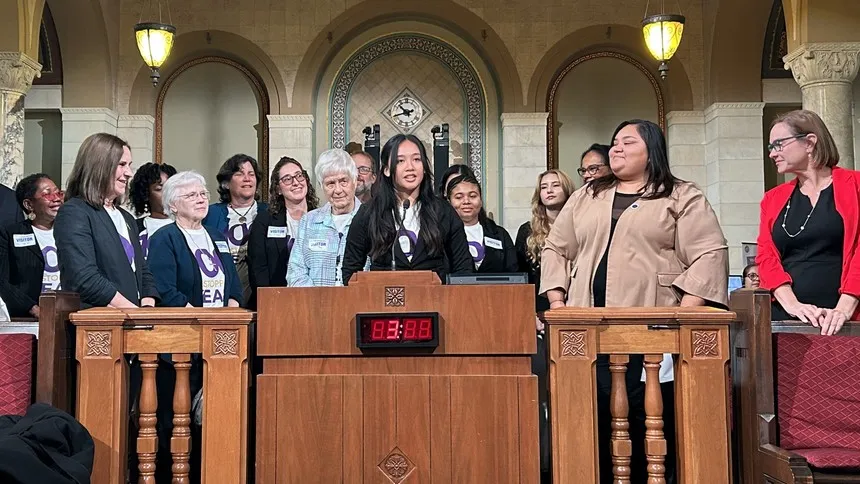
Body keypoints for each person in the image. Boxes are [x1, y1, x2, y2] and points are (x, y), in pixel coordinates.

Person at [541, 119, 728, 484]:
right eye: (614, 142)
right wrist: (557, 301)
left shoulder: (680, 195)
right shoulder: (587, 195)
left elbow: (710, 253)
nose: (616, 148)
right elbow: (555, 248)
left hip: (652, 331)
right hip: (585, 331)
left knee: (648, 419)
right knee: (590, 415)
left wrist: (687, 312)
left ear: (652, 150)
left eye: (628, 142)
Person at [757, 109, 860, 335]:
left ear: (810, 142)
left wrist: (844, 308)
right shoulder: (772, 199)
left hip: (847, 318)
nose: (772, 153)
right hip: (787, 318)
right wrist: (792, 305)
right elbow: (766, 256)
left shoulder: (856, 185)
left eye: (779, 144)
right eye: (770, 147)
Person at [341, 134, 473, 284]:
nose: (410, 167)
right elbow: (350, 272)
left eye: (416, 159)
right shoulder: (369, 213)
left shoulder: (443, 211)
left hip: (435, 304)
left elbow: (463, 268)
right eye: (400, 161)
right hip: (381, 304)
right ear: (386, 170)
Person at [513, 167, 575, 480]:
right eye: (544, 186)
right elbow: (521, 280)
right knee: (542, 391)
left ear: (566, 188)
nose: (549, 190)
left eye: (555, 185)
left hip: (576, 314)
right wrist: (531, 315)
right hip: (539, 319)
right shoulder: (527, 230)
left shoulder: (582, 222)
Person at [54, 133, 158, 309]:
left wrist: (147, 307)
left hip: (133, 321)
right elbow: (85, 278)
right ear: (100, 166)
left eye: (130, 165)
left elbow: (142, 271)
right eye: (122, 165)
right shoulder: (74, 212)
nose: (129, 173)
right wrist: (132, 312)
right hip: (99, 324)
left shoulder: (127, 218)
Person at [148, 171, 242, 308]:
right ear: (173, 205)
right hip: (186, 323)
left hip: (222, 323)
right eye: (191, 195)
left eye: (203, 194)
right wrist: (198, 317)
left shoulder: (217, 236)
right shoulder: (164, 238)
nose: (201, 200)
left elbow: (234, 283)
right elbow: (164, 289)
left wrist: (230, 315)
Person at [287, 149, 366, 286]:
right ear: (321, 186)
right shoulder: (308, 222)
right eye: (330, 183)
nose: (338, 190)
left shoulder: (371, 219)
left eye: (343, 181)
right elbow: (295, 273)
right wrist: (321, 301)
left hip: (360, 303)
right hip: (315, 305)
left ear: (355, 181)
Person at [247, 157, 318, 298]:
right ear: (278, 189)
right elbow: (258, 269)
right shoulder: (264, 221)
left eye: (299, 176)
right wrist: (272, 300)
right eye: (287, 179)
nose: (296, 182)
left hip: (315, 298)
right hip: (276, 300)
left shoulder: (321, 219)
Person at [203, 154, 267, 305]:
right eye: (239, 174)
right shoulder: (210, 214)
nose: (247, 178)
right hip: (222, 287)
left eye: (251, 174)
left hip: (258, 290)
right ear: (226, 183)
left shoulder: (269, 213)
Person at [0, 174, 64, 318]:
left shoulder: (72, 232)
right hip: (28, 320)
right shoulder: (10, 235)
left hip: (68, 315)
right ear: (29, 204)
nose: (56, 198)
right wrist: (33, 309)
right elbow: (2, 282)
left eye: (58, 192)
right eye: (47, 194)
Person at [446, 173, 516, 273]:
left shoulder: (499, 234)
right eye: (459, 197)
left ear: (481, 200)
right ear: (449, 202)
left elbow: (514, 272)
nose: (466, 201)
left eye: (473, 196)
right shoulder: (441, 235)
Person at [130, 162, 177, 258]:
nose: (167, 193)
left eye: (171, 188)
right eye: (159, 189)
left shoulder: (187, 226)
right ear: (146, 194)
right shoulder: (133, 228)